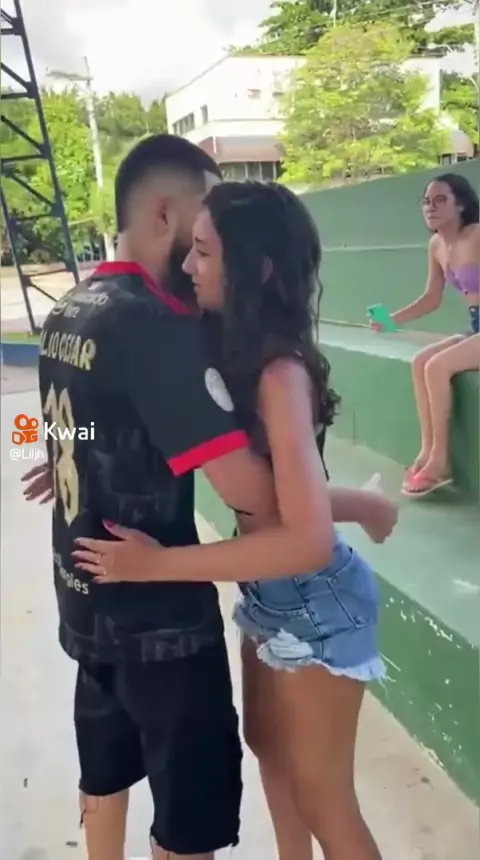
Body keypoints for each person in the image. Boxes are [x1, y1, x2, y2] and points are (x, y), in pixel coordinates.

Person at [24, 138, 397, 860]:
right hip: (209, 605)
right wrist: (66, 449)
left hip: (262, 595)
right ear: (165, 215)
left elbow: (277, 509)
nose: (194, 262)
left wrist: (68, 451)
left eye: (209, 248)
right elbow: (85, 412)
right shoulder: (167, 329)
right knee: (271, 767)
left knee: (313, 793)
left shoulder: (73, 306)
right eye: (194, 238)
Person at [371, 173, 479, 497]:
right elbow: (432, 297)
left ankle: (441, 462)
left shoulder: (476, 235)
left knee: (437, 366)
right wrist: (391, 320)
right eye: (427, 201)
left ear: (461, 204)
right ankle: (427, 451)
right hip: (476, 326)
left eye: (441, 200)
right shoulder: (436, 246)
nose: (431, 207)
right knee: (420, 361)